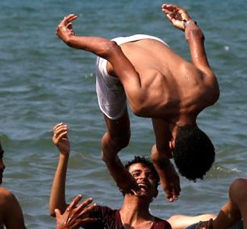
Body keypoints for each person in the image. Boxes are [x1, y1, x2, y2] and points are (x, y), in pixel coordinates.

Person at [56, 4, 220, 202]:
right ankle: (110, 159)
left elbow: (195, 36)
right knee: (120, 138)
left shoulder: (210, 91)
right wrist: (70, 39)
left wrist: (186, 22)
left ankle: (160, 159)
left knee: (163, 110)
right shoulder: (143, 102)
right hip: (116, 57)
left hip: (154, 43)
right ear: (172, 144)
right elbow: (111, 49)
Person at [49, 122, 209, 229]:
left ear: (155, 192)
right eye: (136, 174)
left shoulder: (160, 228)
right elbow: (57, 210)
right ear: (122, 183)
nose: (143, 178)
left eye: (149, 176)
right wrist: (64, 155)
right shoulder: (103, 218)